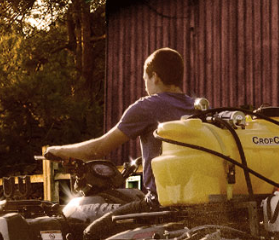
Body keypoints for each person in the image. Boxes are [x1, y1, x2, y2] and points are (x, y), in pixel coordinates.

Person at [44, 47, 197, 196]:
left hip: (162, 202)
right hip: (199, 197)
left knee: (89, 215)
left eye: (145, 79)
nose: (145, 87)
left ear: (155, 77)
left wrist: (58, 151)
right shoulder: (200, 108)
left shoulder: (147, 106)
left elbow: (97, 150)